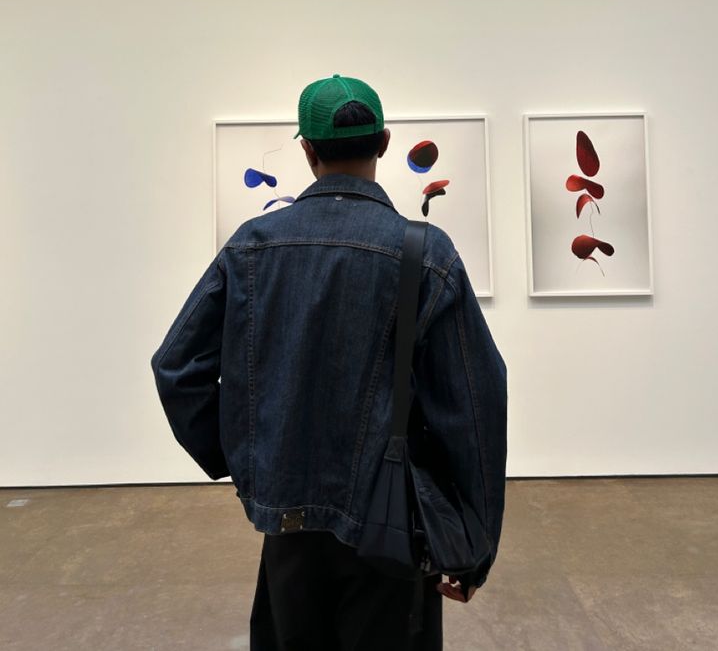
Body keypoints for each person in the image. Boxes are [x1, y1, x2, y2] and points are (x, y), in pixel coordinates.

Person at [151, 74, 507, 650]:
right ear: (385, 143)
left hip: (287, 525)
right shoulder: (426, 252)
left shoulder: (252, 244)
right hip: (393, 524)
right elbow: (474, 404)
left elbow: (176, 367)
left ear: (307, 150)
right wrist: (472, 546)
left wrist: (243, 458)